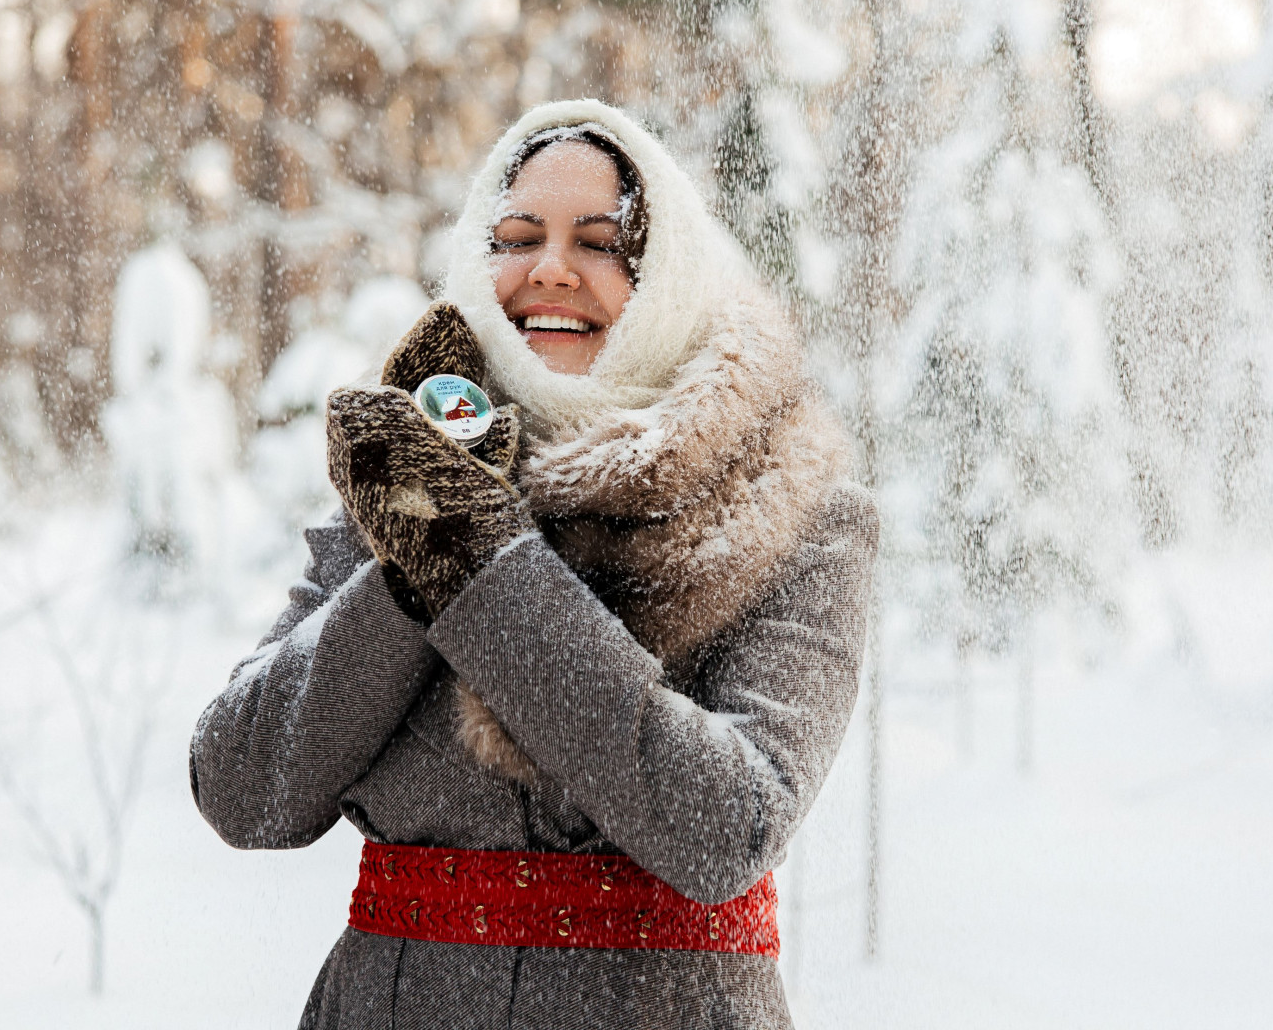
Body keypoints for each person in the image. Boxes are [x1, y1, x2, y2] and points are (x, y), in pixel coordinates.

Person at [190, 99, 878, 1029]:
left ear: (668, 272)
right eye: (517, 237)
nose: (549, 269)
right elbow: (243, 787)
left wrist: (485, 568)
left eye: (598, 243)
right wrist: (414, 562)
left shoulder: (790, 507)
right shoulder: (411, 474)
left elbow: (729, 826)